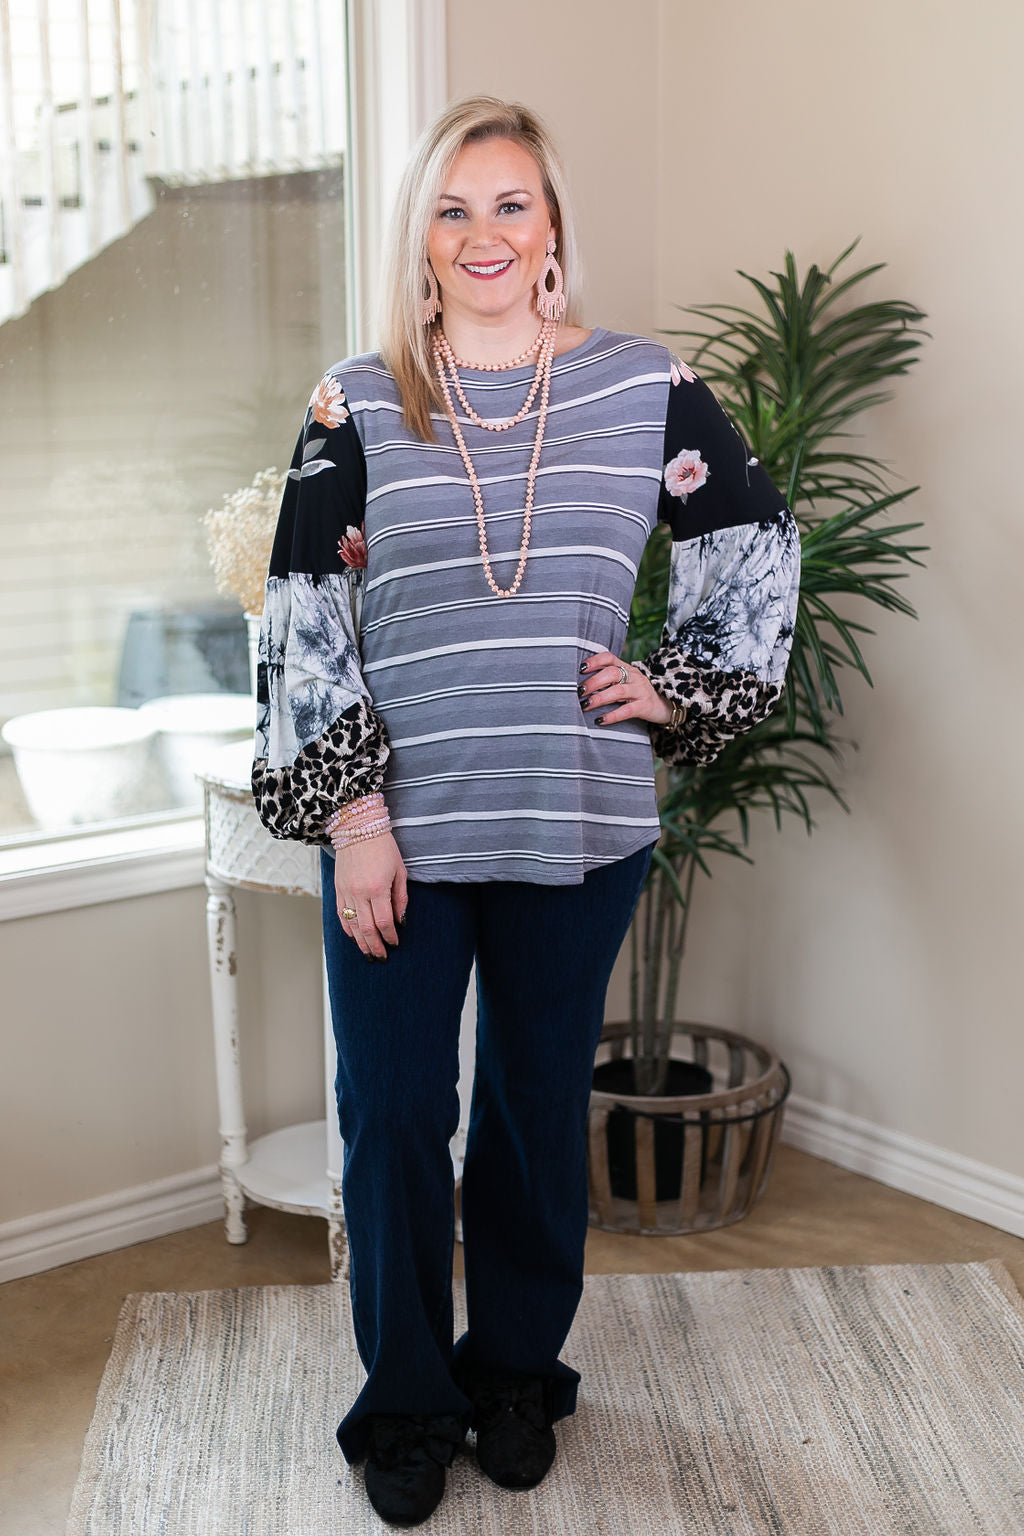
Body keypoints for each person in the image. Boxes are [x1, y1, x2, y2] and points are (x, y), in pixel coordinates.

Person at [252, 94, 800, 1527]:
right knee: (391, 1117)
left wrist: (677, 686)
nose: (483, 234)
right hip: (403, 841)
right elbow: (307, 616)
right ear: (419, 239)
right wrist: (355, 817)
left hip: (579, 825)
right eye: (453, 208)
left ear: (551, 226)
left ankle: (513, 1376)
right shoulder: (357, 399)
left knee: (533, 1111)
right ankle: (408, 1405)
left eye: (510, 204)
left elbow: (753, 541)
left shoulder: (645, 387)